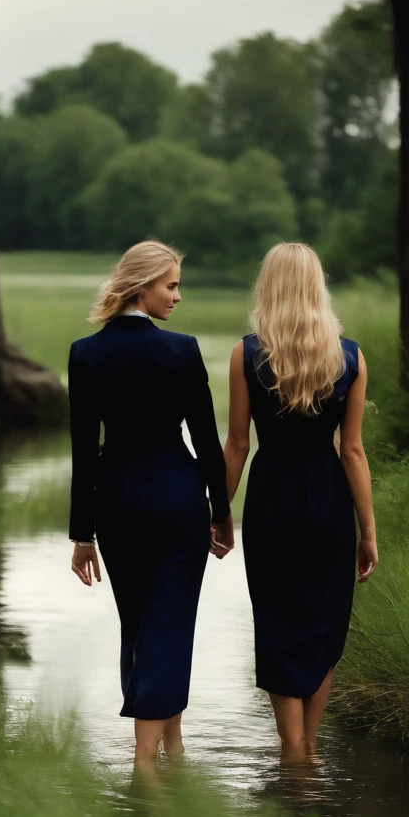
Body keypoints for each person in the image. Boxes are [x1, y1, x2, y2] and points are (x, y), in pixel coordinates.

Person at [68, 240, 234, 767]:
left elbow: (83, 451)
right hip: (176, 501)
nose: (178, 296)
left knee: (140, 623)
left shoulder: (84, 353)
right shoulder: (181, 350)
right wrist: (222, 514)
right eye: (171, 285)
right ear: (142, 287)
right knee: (171, 624)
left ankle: (172, 743)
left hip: (115, 504)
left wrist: (82, 534)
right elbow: (208, 443)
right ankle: (147, 759)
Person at [223, 242, 378, 756]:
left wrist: (219, 514)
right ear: (318, 287)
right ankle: (308, 744)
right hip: (328, 503)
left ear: (268, 287)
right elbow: (352, 450)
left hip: (271, 501)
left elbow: (239, 445)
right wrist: (368, 532)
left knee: (277, 620)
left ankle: (291, 747)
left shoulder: (246, 354)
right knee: (323, 621)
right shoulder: (350, 356)